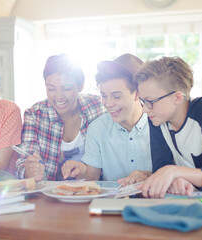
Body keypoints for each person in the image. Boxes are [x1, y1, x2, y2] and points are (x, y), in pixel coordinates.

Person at [135, 56, 202, 198]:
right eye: (143, 102)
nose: (145, 109)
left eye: (150, 101)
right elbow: (161, 168)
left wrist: (175, 172)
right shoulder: (157, 118)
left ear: (177, 98)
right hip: (190, 198)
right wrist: (176, 178)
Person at [61, 53, 152, 185]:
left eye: (116, 96)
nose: (108, 104)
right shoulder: (98, 129)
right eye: (104, 95)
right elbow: (91, 178)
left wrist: (151, 176)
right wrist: (80, 170)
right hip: (112, 203)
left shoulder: (159, 124)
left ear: (138, 93)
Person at [15, 54, 105, 181]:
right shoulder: (35, 114)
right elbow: (23, 160)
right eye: (51, 89)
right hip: (51, 194)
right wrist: (28, 171)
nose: (58, 97)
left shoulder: (97, 107)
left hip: (93, 190)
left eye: (66, 88)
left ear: (80, 86)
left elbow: (109, 157)